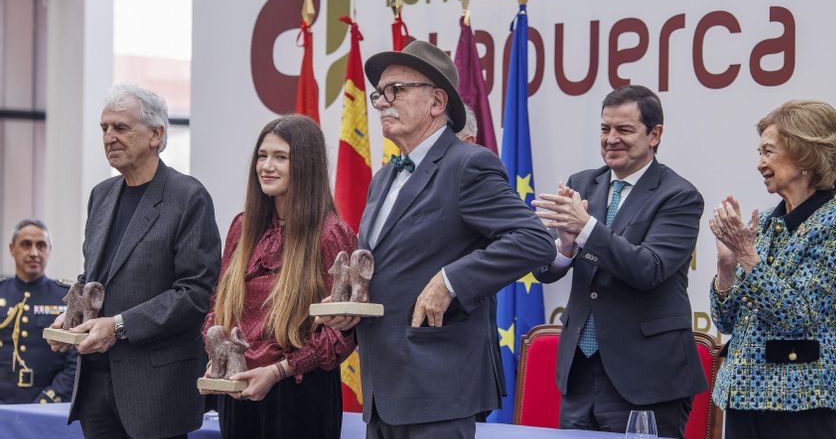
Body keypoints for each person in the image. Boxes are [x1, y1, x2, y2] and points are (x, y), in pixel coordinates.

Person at [318, 40, 556, 438]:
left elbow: (534, 240)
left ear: (436, 101)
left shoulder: (468, 164)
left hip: (438, 387)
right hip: (383, 390)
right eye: (379, 93)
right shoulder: (382, 181)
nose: (381, 102)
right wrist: (349, 306)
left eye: (396, 89)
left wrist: (450, 281)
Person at [532, 85, 707, 438]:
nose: (611, 139)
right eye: (605, 128)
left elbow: (649, 269)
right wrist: (565, 247)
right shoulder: (581, 184)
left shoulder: (679, 195)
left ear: (654, 135)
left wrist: (585, 228)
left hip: (647, 377)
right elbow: (543, 270)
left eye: (624, 130)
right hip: (580, 373)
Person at [48, 83, 221, 439]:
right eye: (104, 128)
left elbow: (195, 293)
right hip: (95, 385)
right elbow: (91, 278)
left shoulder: (188, 197)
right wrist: (73, 317)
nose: (109, 137)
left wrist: (120, 325)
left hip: (155, 391)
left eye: (121, 128)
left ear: (156, 135)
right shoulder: (101, 195)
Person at [708, 100, 836, 439]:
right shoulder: (765, 224)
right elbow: (726, 320)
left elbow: (798, 314)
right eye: (759, 152)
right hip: (743, 398)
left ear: (805, 157)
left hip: (800, 403)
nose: (759, 163)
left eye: (768, 151)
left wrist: (747, 255)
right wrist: (726, 265)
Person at [202, 115, 357, 438]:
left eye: (280, 157)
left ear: (306, 165)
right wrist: (217, 353)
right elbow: (218, 306)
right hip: (238, 389)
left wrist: (279, 371)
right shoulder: (242, 227)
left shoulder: (330, 234)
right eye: (262, 155)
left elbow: (339, 336)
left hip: (299, 394)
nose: (266, 166)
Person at [0, 219, 77, 404]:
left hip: (49, 403)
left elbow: (75, 360)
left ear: (49, 249)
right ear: (12, 249)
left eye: (41, 245)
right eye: (26, 244)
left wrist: (48, 399)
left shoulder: (66, 297)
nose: (34, 253)